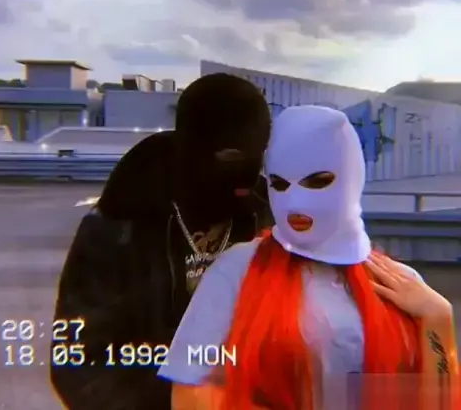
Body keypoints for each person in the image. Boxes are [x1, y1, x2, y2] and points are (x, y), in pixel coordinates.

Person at [158, 105, 459, 410]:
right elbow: (191, 389)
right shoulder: (236, 270)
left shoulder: (401, 284)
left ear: (351, 177)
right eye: (279, 184)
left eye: (317, 181)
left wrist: (437, 318)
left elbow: (437, 404)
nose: (295, 201)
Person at [50, 73, 273, 410]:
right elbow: (78, 361)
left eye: (260, 155)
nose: (249, 173)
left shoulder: (268, 213)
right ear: (193, 152)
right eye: (231, 157)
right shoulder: (119, 227)